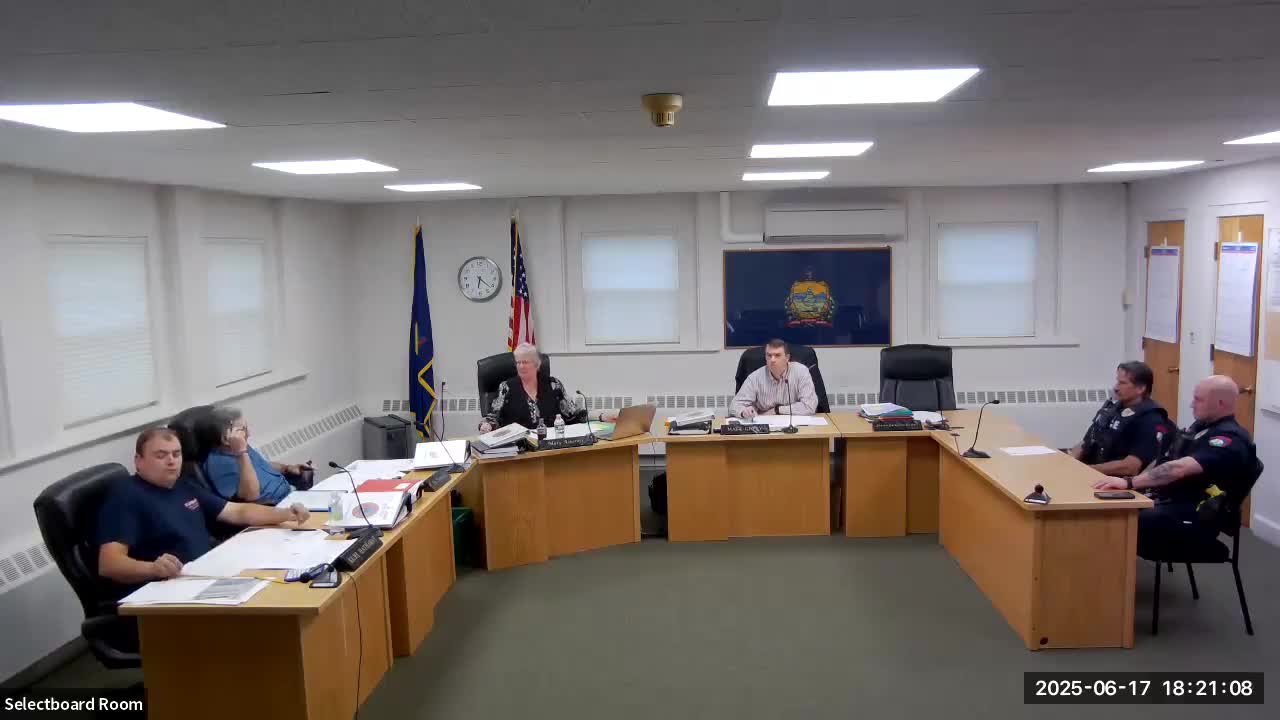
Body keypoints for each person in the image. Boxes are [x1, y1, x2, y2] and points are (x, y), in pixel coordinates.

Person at [96, 428, 310, 598]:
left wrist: (286, 514)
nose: (171, 461)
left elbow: (237, 511)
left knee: (278, 585)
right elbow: (109, 564)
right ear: (138, 461)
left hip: (205, 576)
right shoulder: (126, 495)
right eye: (161, 455)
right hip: (169, 591)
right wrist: (153, 568)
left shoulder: (182, 485)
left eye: (176, 454)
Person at [1093, 375, 1255, 553]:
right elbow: (1167, 459)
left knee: (1122, 521)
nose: (1192, 404)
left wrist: (1129, 482)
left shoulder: (1229, 440)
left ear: (1221, 403)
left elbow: (1177, 469)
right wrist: (1138, 486)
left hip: (1197, 517)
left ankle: (1112, 568)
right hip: (1171, 500)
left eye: (1198, 399)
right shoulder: (1202, 426)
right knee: (1112, 506)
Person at [478, 343, 613, 432]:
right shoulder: (506, 387)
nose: (521, 366)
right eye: (518, 362)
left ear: (536, 364)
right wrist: (486, 425)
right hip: (520, 449)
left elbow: (574, 414)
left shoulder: (553, 385)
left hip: (552, 446)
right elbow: (493, 418)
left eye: (525, 362)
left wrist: (601, 416)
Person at [1069, 361, 1171, 477]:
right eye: (1117, 381)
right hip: (1092, 471)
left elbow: (1130, 467)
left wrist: (1086, 470)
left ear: (1140, 388)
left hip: (1116, 481)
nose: (1116, 388)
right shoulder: (1113, 408)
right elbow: (1087, 442)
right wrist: (1070, 461)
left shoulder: (1151, 418)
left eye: (1122, 383)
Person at [199, 406, 308, 504]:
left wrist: (287, 468)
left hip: (290, 494)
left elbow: (262, 465)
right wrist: (241, 453)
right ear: (225, 438)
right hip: (274, 506)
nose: (249, 434)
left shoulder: (239, 447)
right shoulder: (218, 464)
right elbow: (250, 496)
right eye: (243, 429)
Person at [731, 339, 818, 419]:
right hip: (766, 425)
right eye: (769, 355)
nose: (772, 360)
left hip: (794, 424)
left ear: (787, 358)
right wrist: (744, 412)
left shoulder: (801, 372)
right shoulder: (755, 377)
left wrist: (777, 410)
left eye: (777, 355)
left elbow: (809, 406)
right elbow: (734, 406)